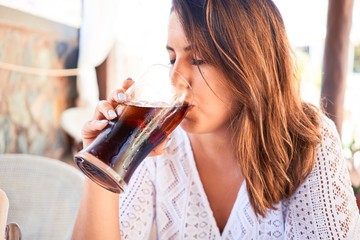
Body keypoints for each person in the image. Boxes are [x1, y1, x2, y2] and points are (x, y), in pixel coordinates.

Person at [72, 0, 360, 239]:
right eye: (172, 59)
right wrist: (104, 162)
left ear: (249, 64)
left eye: (197, 59)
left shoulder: (309, 139)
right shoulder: (158, 142)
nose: (176, 79)